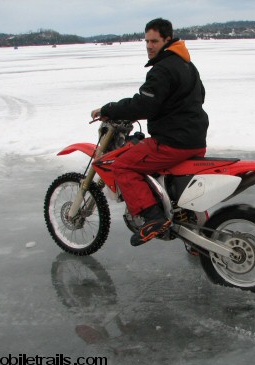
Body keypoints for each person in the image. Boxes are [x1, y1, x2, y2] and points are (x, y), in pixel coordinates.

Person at [91, 18, 209, 247]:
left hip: (171, 142)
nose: (149, 46)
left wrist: (109, 110)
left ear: (167, 40)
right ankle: (197, 238)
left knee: (122, 166)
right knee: (178, 188)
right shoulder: (187, 65)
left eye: (154, 41)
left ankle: (153, 218)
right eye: (146, 41)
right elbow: (199, 96)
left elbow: (144, 105)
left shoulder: (163, 68)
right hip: (195, 139)